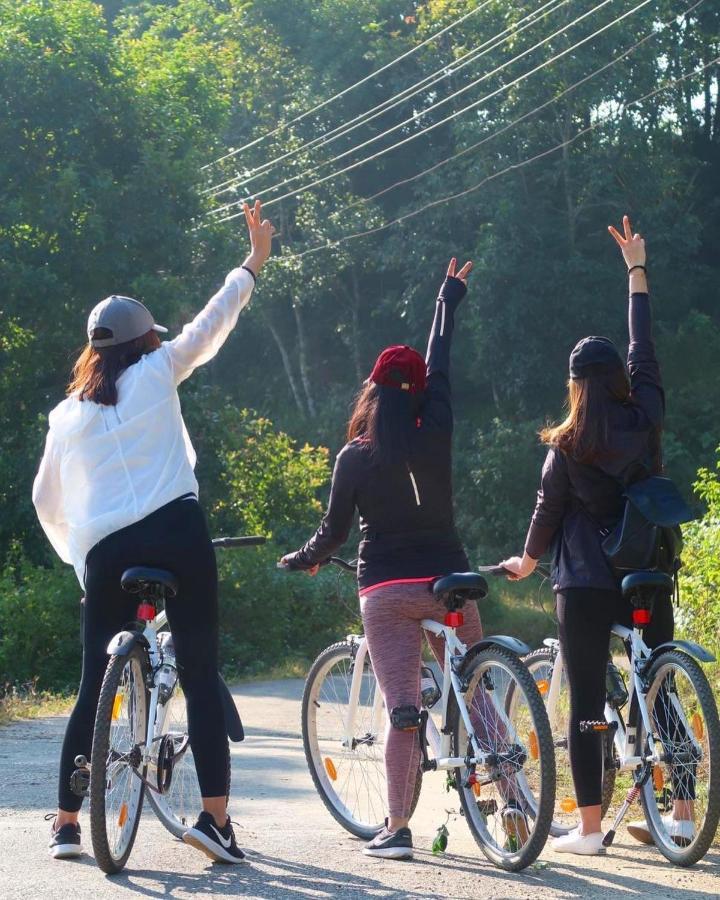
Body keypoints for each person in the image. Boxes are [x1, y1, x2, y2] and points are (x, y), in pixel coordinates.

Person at [33, 200, 273, 864]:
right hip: (176, 532)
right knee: (198, 668)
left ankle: (67, 825)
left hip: (106, 552)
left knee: (90, 687)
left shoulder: (64, 417)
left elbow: (44, 501)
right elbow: (211, 322)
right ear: (144, 340)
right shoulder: (159, 370)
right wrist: (252, 262)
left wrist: (80, 554)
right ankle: (215, 822)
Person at [281, 258, 529, 860]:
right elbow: (438, 359)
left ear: (370, 391)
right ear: (420, 393)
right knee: (474, 693)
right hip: (452, 580)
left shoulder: (354, 457)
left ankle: (395, 829)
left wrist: (305, 557)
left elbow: (333, 534)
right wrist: (447, 299)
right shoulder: (436, 424)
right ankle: (519, 806)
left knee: (404, 711)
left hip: (388, 593)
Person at [501, 215, 693, 855]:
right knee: (661, 681)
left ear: (574, 387)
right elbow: (647, 353)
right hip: (646, 572)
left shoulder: (567, 445)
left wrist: (527, 562)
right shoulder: (646, 416)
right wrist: (636, 271)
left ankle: (587, 830)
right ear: (620, 382)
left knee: (586, 700)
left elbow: (546, 512)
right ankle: (686, 816)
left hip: (585, 582)